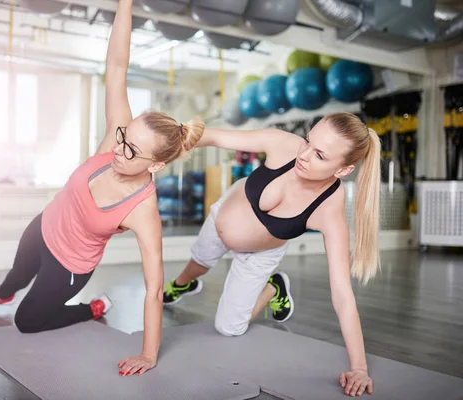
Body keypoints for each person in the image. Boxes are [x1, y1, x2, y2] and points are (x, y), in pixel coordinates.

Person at [0, 0, 204, 378]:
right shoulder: (117, 135)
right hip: (42, 226)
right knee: (16, 275)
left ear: (156, 165)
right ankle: (2, 292)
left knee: (27, 322)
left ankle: (90, 309)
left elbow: (154, 287)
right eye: (123, 136)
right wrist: (125, 3)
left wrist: (149, 353)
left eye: (132, 151)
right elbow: (116, 66)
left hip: (69, 266)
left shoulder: (143, 211)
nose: (118, 151)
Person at [162, 113, 378, 397]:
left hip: (260, 254)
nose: (305, 155)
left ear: (342, 170)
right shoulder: (282, 144)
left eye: (321, 155)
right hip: (222, 216)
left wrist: (359, 368)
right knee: (200, 261)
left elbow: (342, 293)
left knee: (228, 328)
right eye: (309, 141)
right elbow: (213, 136)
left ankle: (274, 287)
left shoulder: (329, 211)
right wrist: (169, 141)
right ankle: (183, 283)